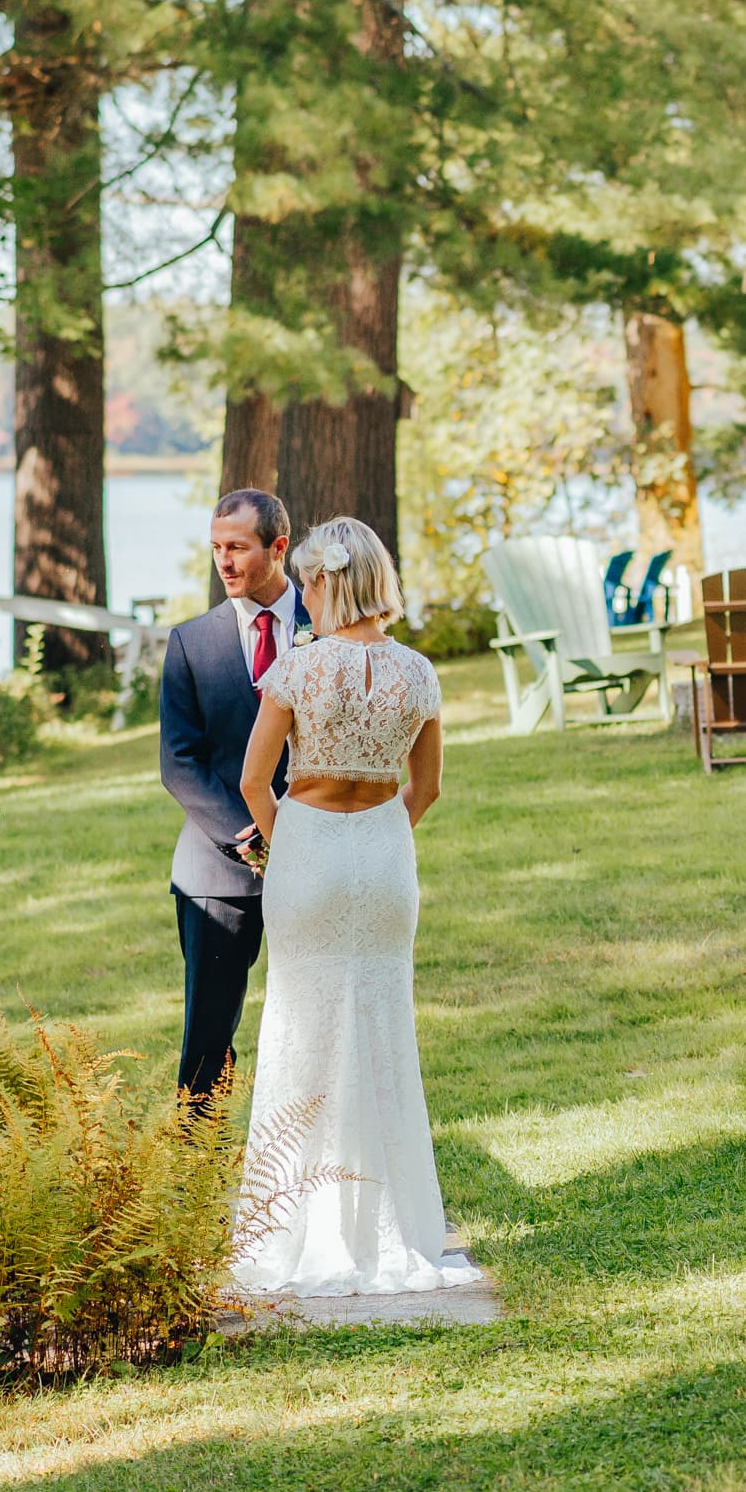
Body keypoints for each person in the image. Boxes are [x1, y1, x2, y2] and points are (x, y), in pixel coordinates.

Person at [230, 516, 478, 1296]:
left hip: (307, 850)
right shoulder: (420, 673)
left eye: (307, 581)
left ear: (330, 582)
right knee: (381, 1029)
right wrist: (379, 839)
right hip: (383, 857)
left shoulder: (298, 673)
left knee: (299, 1029)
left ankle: (289, 1228)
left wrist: (292, 845)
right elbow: (427, 788)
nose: (302, 594)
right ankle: (391, 1229)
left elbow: (251, 783)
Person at [159, 489, 306, 1108]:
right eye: (217, 548)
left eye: (237, 548)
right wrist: (248, 831)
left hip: (317, 850)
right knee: (208, 1034)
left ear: (278, 548)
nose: (224, 562)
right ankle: (192, 1169)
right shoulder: (191, 643)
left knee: (318, 1020)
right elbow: (178, 761)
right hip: (219, 868)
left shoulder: (326, 631)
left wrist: (299, 827)